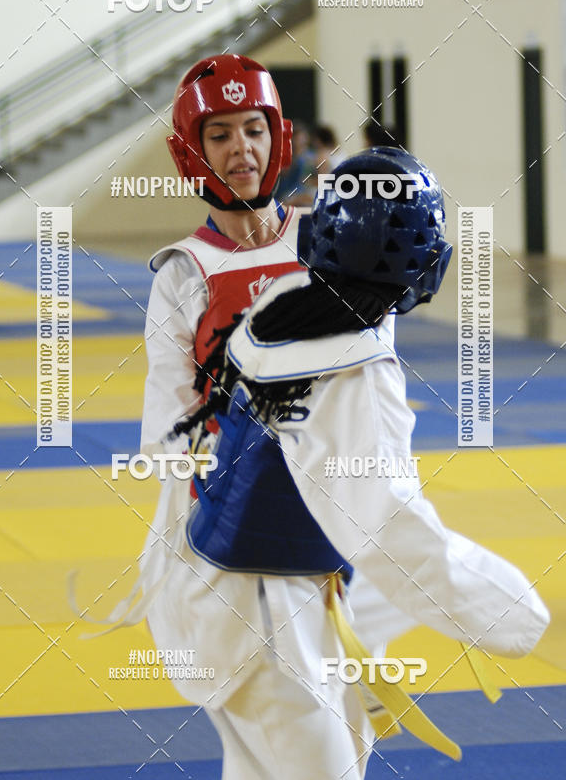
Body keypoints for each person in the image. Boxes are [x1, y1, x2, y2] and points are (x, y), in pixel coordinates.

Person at [163, 147, 549, 778]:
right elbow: (387, 529)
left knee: (302, 754)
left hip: (246, 591)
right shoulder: (352, 366)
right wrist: (521, 616)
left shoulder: (286, 306)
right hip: (266, 618)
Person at [138, 54, 380, 778]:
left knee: (336, 737)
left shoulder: (326, 244)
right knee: (312, 755)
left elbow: (368, 392)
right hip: (238, 550)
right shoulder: (183, 273)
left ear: (278, 135)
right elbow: (170, 439)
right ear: (193, 150)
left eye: (253, 128)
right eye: (220, 134)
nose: (241, 147)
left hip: (330, 532)